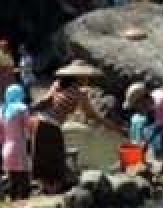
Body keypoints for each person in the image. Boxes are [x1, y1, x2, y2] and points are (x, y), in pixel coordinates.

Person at [30, 59, 126, 193]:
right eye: (86, 77)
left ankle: (45, 190)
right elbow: (94, 116)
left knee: (44, 158)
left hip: (38, 122)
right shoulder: (80, 94)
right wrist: (117, 129)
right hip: (51, 126)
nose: (87, 80)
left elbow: (45, 101)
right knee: (55, 160)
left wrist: (29, 111)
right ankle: (53, 191)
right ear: (79, 77)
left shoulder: (57, 85)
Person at [0, 84, 33, 199]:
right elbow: (29, 127)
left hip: (6, 148)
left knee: (13, 180)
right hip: (19, 147)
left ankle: (13, 204)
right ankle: (24, 207)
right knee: (24, 182)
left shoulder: (1, 111)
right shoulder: (22, 108)